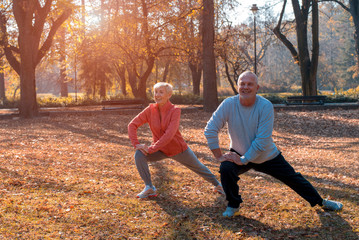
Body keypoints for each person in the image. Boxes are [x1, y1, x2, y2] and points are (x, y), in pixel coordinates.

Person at [204, 71, 343, 217]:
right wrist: (219, 156)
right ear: (237, 86)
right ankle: (233, 204)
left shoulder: (265, 106)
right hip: (239, 151)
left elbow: (262, 140)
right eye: (242, 84)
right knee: (226, 169)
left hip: (266, 155)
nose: (245, 87)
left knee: (294, 178)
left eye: (249, 84)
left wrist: (244, 160)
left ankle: (321, 202)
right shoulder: (228, 104)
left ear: (257, 88)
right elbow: (210, 129)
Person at [128, 82, 224, 198]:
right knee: (139, 155)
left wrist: (151, 148)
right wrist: (136, 144)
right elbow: (132, 125)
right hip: (160, 150)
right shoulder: (150, 110)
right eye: (156, 92)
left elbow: (169, 134)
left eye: (161, 92)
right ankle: (149, 187)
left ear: (169, 95)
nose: (157, 95)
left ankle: (218, 185)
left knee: (198, 167)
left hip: (178, 150)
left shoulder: (175, 110)